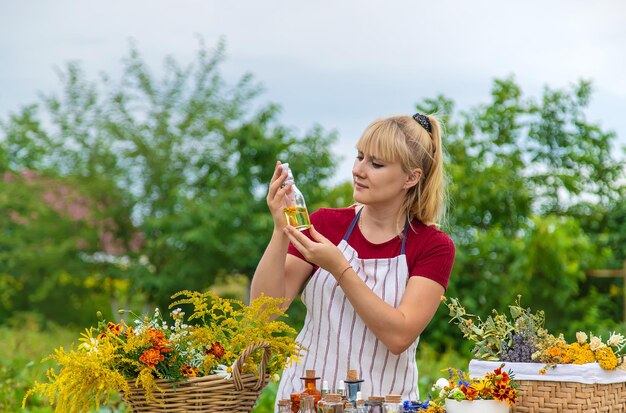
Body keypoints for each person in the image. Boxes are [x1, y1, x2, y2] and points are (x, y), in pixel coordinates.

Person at [250, 113, 455, 408]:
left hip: (383, 404)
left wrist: (339, 268)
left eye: (376, 164)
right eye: (360, 157)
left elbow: (399, 336)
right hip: (308, 400)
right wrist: (281, 229)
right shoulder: (325, 224)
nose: (359, 170)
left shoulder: (433, 246)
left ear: (411, 177)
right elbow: (264, 313)